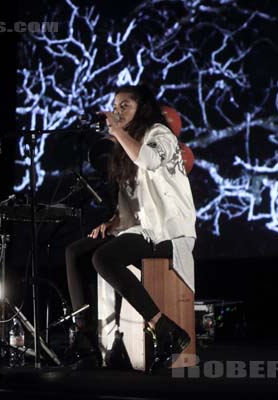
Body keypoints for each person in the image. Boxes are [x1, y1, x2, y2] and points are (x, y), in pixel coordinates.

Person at [64, 84, 197, 371]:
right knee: (76, 253)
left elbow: (147, 159)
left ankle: (163, 327)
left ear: (142, 109)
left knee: (104, 258)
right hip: (142, 228)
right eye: (115, 105)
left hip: (169, 230)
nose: (117, 110)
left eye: (125, 105)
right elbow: (132, 203)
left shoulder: (160, 135)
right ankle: (85, 337)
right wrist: (114, 222)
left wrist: (116, 131)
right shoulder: (123, 148)